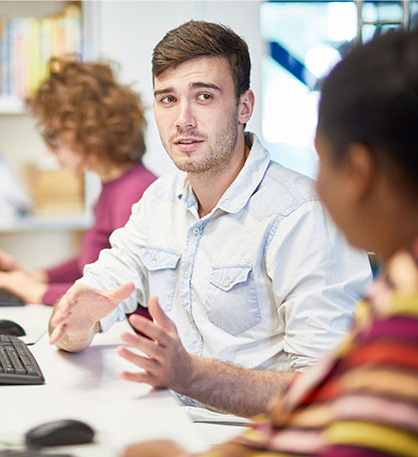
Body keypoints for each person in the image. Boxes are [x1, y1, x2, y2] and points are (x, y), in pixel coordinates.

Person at [117, 16, 418, 457]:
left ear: (360, 175)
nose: (316, 184)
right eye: (168, 99)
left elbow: (337, 439)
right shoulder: (404, 285)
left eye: (323, 160)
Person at [49, 20, 373, 418]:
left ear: (244, 107)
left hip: (258, 438)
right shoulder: (159, 201)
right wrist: (75, 325)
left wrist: (190, 375)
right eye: (167, 99)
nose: (182, 119)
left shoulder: (302, 215)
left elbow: (326, 391)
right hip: (173, 420)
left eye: (203, 96)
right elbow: (92, 297)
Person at [0, 57, 156, 305]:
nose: (49, 150)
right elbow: (91, 265)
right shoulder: (115, 186)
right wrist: (33, 277)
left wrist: (36, 291)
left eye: (52, 136)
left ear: (88, 128)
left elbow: (117, 292)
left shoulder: (134, 194)